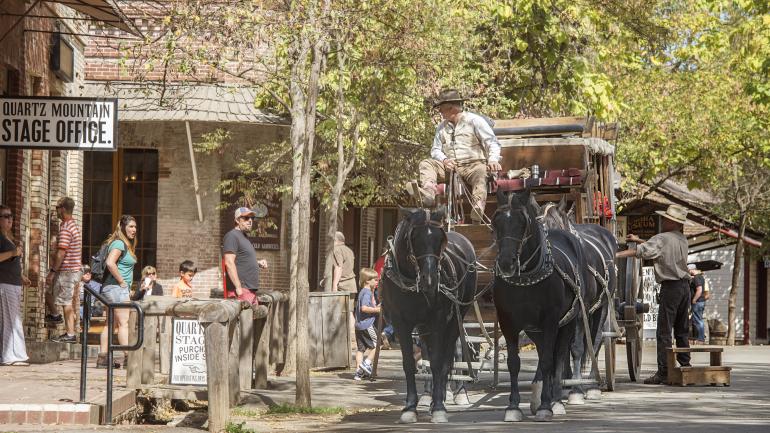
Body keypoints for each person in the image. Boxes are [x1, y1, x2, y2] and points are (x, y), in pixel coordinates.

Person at [617, 204, 691, 384]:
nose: (663, 221)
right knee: (681, 329)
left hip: (671, 288)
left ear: (673, 222)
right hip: (684, 287)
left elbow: (641, 252)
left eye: (666, 219)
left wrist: (616, 255)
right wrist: (639, 239)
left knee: (664, 331)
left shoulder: (662, 238)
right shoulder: (681, 239)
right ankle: (685, 367)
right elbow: (656, 247)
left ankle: (664, 372)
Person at [406, 88, 503, 222]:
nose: (439, 112)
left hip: (474, 166)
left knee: (481, 172)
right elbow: (435, 150)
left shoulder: (475, 121)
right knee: (426, 163)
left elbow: (492, 143)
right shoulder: (441, 128)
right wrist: (444, 160)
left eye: (441, 109)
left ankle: (478, 207)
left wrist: (493, 159)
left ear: (451, 108)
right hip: (451, 168)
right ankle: (428, 193)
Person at [97, 215, 138, 369]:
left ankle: (103, 358)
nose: (134, 230)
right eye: (130, 227)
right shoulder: (120, 243)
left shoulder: (121, 243)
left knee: (110, 323)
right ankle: (128, 358)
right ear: (122, 227)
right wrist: (122, 282)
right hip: (116, 287)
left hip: (110, 287)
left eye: (135, 227)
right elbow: (110, 263)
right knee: (124, 323)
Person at [45, 197, 83, 343]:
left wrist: (52, 272)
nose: (56, 212)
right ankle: (55, 315)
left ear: (63, 209)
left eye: (56, 208)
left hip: (67, 271)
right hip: (69, 271)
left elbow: (62, 253)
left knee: (66, 302)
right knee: (49, 293)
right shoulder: (71, 225)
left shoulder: (67, 228)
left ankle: (70, 334)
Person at [0, 204, 31, 366]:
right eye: (5, 216)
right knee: (10, 321)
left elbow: (11, 262)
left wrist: (21, 276)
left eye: (11, 216)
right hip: (4, 283)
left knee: (13, 320)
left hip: (13, 283)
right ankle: (10, 356)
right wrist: (13, 253)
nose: (9, 219)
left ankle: (14, 354)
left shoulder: (8, 238)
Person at [223, 207, 268, 303]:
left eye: (252, 218)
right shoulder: (232, 236)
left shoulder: (244, 237)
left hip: (249, 290)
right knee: (244, 318)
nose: (250, 221)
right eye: (246, 218)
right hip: (241, 290)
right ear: (237, 220)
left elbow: (242, 260)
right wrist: (238, 288)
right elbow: (229, 262)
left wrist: (258, 263)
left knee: (252, 317)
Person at [354, 268, 381, 380]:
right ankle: (367, 363)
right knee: (378, 344)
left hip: (359, 325)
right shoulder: (367, 292)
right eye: (375, 280)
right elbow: (364, 308)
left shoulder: (363, 292)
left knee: (361, 349)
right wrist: (377, 310)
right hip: (367, 325)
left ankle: (358, 372)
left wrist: (376, 307)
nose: (377, 281)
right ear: (367, 281)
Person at [688, 264, 708, 344]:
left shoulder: (696, 278)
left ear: (692, 269)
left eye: (688, 270)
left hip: (698, 301)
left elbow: (699, 290)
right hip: (700, 302)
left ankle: (701, 339)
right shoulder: (700, 277)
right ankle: (699, 338)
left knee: (698, 320)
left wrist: (694, 300)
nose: (688, 272)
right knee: (697, 320)